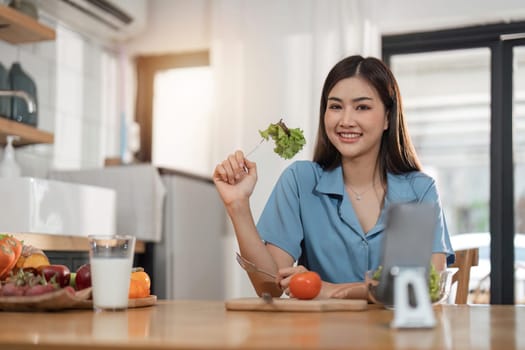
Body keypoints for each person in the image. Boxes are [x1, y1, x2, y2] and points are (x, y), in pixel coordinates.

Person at [213, 55, 454, 299]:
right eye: (336, 106)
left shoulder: (418, 190)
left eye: (362, 107)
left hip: (394, 336)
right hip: (319, 336)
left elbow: (422, 288)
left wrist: (333, 290)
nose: (346, 121)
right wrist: (238, 205)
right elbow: (269, 287)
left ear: (388, 118)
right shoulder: (300, 181)